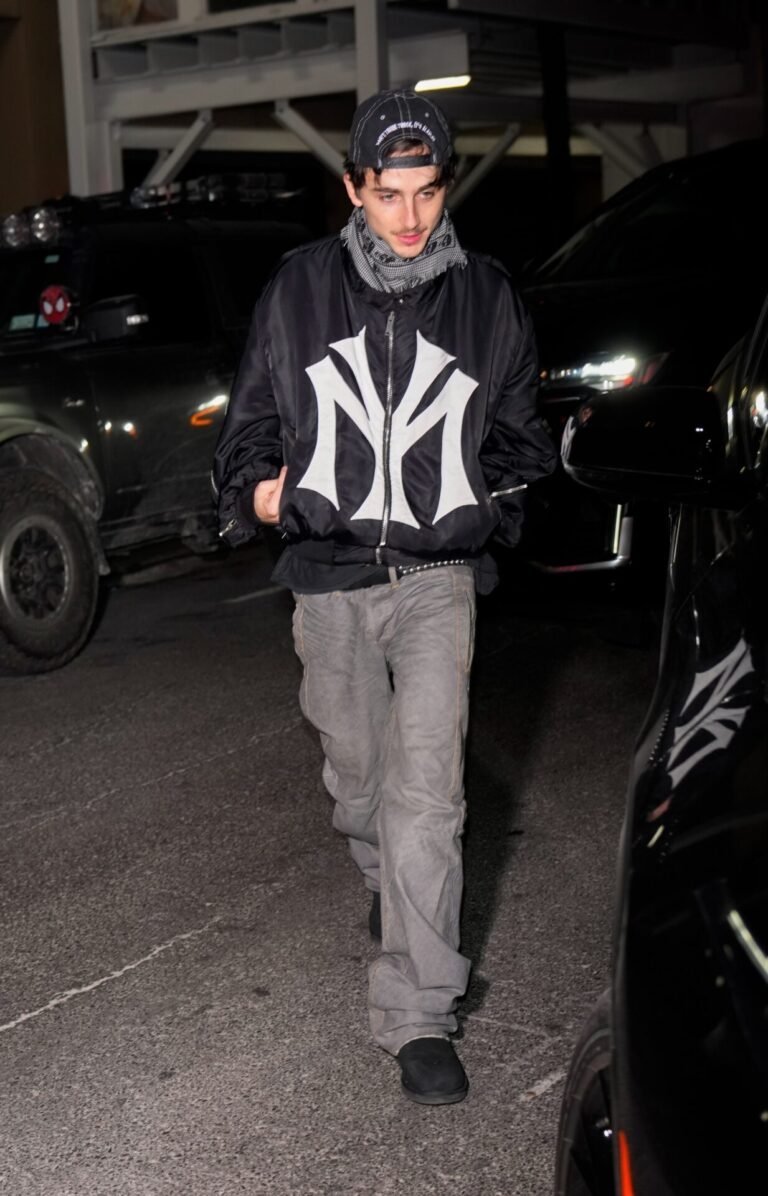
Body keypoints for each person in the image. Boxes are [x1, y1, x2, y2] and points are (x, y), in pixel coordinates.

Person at [213, 88, 556, 1105]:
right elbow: (247, 430)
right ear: (354, 187)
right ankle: (386, 878)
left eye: (428, 191)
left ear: (446, 187)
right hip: (329, 575)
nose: (410, 216)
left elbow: (525, 449)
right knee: (360, 784)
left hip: (439, 580)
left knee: (427, 797)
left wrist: (485, 506)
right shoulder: (298, 289)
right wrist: (263, 494)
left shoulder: (488, 298)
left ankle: (419, 1009)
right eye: (388, 192)